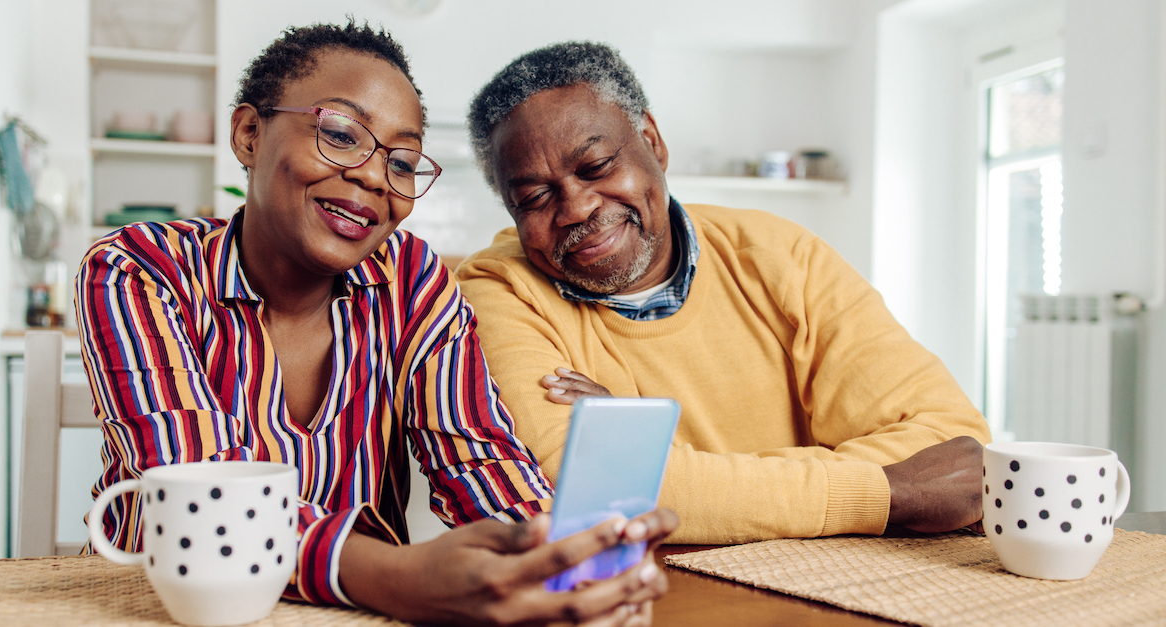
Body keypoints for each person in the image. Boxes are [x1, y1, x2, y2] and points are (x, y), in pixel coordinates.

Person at [76, 23, 675, 625]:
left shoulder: (412, 281)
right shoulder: (138, 270)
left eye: (403, 161)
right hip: (157, 607)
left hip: (350, 613)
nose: (372, 176)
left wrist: (555, 560)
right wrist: (397, 576)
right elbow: (210, 509)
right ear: (249, 133)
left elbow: (479, 461)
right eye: (339, 133)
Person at [458, 41, 991, 545]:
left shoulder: (781, 254)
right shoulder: (497, 291)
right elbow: (580, 492)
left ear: (652, 141)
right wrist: (889, 492)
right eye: (534, 196)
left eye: (596, 167)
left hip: (843, 579)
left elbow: (954, 447)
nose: (574, 208)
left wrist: (657, 459)